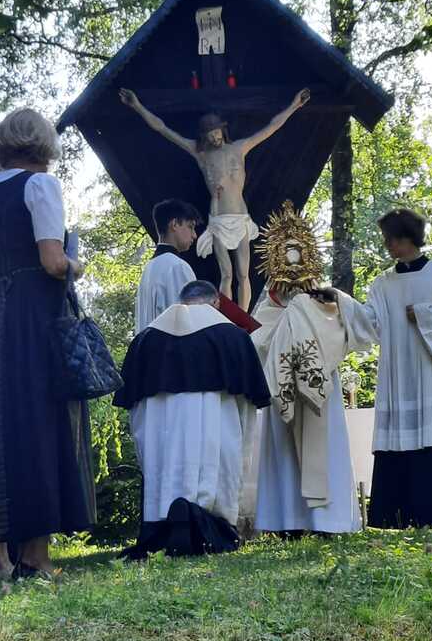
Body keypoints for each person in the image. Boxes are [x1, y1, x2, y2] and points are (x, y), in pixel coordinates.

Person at [0, 108, 95, 579]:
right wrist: (78, 265)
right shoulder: (39, 186)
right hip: (32, 318)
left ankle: (2, 557)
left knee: (4, 428)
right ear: (44, 144)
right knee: (40, 423)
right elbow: (53, 262)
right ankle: (35, 557)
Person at [114, 280, 270, 558]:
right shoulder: (232, 337)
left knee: (163, 466)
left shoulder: (146, 339)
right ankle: (210, 528)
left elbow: (136, 411)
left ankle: (163, 526)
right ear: (216, 303)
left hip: (162, 437)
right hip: (215, 434)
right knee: (217, 463)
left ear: (182, 300)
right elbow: (249, 404)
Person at [119, 86, 310, 310]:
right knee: (226, 274)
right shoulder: (201, 154)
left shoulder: (239, 148)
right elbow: (164, 129)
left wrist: (294, 105)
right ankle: (225, 316)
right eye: (209, 134)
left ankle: (244, 316)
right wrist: (137, 106)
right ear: (204, 137)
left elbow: (271, 127)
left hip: (240, 216)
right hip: (218, 219)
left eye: (216, 132)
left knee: (243, 273)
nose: (214, 137)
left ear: (222, 130)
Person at [252, 202, 373, 535]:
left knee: (326, 449)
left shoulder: (326, 302)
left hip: (320, 393)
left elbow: (356, 327)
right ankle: (288, 521)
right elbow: (257, 343)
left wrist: (328, 303)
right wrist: (286, 331)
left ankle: (328, 521)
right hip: (284, 393)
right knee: (284, 455)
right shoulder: (267, 310)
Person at [360, 207, 432, 528]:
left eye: (391, 238)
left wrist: (427, 314)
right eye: (386, 239)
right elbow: (368, 321)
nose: (387, 245)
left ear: (408, 237)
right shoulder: (382, 284)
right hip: (399, 374)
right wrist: (338, 306)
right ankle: (398, 517)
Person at [135, 197, 198, 333]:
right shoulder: (177, 266)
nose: (194, 235)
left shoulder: (148, 269)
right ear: (174, 224)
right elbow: (186, 322)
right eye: (190, 227)